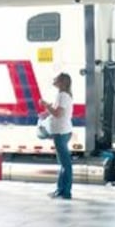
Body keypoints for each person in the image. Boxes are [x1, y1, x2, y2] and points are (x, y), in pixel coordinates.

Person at [41, 72, 74, 200]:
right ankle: (60, 190)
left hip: (61, 132)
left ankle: (65, 192)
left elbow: (58, 113)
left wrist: (46, 105)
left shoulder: (63, 95)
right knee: (63, 163)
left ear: (62, 82)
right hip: (61, 131)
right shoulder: (62, 95)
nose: (53, 80)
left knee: (66, 164)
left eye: (56, 79)